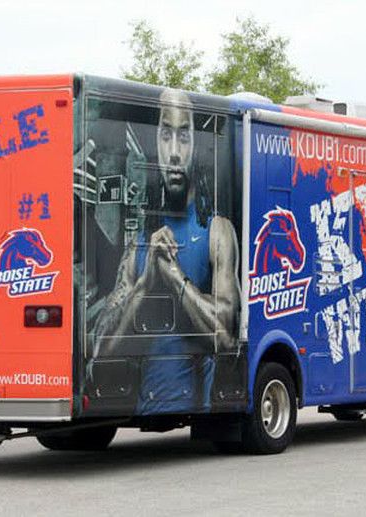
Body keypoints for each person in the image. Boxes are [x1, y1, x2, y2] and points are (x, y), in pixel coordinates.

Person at [92, 88, 240, 414]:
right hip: (144, 411)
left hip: (198, 411)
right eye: (165, 135)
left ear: (196, 144)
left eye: (184, 137)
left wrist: (173, 276)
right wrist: (145, 283)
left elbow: (227, 338)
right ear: (155, 142)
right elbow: (101, 351)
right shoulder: (140, 242)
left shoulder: (216, 231)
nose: (174, 153)